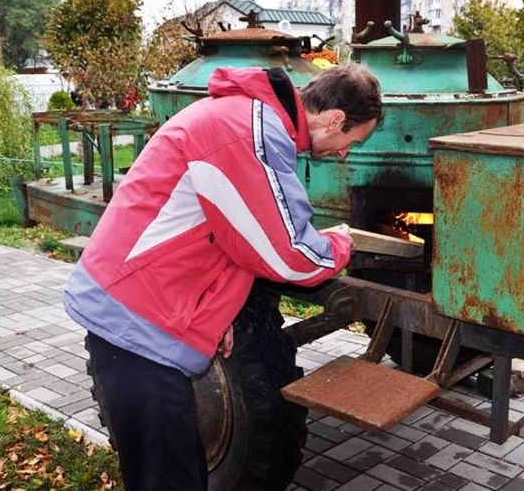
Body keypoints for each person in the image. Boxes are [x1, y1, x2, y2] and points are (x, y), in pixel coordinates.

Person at [62, 63, 382, 490]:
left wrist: (218, 312)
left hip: (145, 310)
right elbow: (289, 255)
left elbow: (227, 234)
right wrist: (342, 243)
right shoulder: (250, 131)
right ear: (335, 119)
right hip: (137, 322)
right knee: (168, 479)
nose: (344, 154)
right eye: (351, 142)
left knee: (182, 469)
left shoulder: (249, 118)